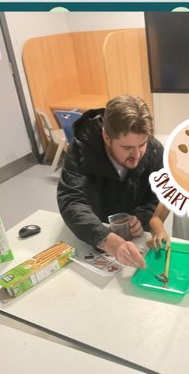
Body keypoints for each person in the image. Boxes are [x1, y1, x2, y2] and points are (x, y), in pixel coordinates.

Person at [57, 95, 163, 269]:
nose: (137, 155)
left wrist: (141, 219)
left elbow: (156, 198)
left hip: (135, 241)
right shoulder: (82, 148)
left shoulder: (154, 150)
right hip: (92, 233)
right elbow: (72, 200)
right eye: (127, 148)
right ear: (106, 137)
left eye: (142, 144)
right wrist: (105, 239)